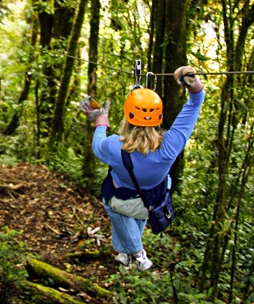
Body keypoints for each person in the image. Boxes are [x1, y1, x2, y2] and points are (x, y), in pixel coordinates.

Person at [79, 66, 205, 271]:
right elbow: (194, 105)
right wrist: (194, 85)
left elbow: (97, 144)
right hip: (153, 199)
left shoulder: (114, 146)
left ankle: (137, 253)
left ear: (128, 116)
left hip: (127, 199)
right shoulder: (171, 145)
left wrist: (101, 121)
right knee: (132, 200)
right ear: (159, 117)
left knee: (109, 195)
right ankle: (127, 254)